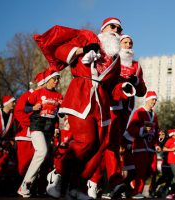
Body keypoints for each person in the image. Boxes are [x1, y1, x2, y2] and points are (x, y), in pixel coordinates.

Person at [35, 17, 135, 199]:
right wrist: (83, 49)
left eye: (119, 29)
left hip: (102, 102)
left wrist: (125, 87)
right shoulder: (87, 37)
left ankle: (77, 186)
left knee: (99, 146)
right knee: (86, 141)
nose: (116, 31)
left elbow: (112, 87)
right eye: (112, 26)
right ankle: (57, 173)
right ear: (103, 28)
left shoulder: (116, 59)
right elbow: (59, 50)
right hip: (81, 95)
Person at [87, 34, 147, 199]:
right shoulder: (113, 60)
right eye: (125, 42)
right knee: (108, 144)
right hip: (112, 106)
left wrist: (136, 82)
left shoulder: (136, 65)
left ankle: (109, 185)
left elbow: (142, 91)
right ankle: (95, 181)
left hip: (126, 110)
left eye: (130, 43)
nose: (128, 45)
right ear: (119, 45)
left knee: (114, 147)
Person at [17, 68, 63, 198]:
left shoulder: (59, 96)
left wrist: (56, 127)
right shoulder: (38, 92)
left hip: (48, 129)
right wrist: (33, 108)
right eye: (54, 79)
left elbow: (58, 115)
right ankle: (26, 183)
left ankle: (38, 187)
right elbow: (25, 108)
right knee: (41, 151)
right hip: (36, 126)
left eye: (58, 79)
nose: (56, 81)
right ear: (48, 80)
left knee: (46, 158)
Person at [123, 91, 161, 199]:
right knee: (141, 170)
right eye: (153, 99)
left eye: (155, 100)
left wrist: (157, 141)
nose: (154, 102)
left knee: (151, 170)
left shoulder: (154, 115)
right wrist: (141, 130)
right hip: (140, 146)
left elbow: (156, 129)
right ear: (147, 99)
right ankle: (136, 192)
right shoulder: (139, 112)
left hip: (150, 147)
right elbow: (131, 128)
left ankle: (133, 183)